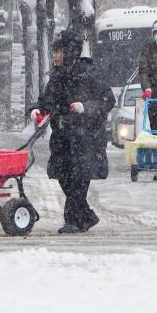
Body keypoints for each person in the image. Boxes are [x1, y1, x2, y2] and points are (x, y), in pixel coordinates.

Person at [30, 30, 115, 234]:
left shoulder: (90, 73)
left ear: (70, 52)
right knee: (63, 176)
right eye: (55, 52)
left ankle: (74, 220)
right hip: (62, 137)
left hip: (86, 138)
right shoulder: (57, 77)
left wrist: (86, 107)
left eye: (59, 52)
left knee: (78, 179)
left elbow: (108, 100)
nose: (55, 57)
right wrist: (36, 109)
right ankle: (86, 216)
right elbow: (47, 101)